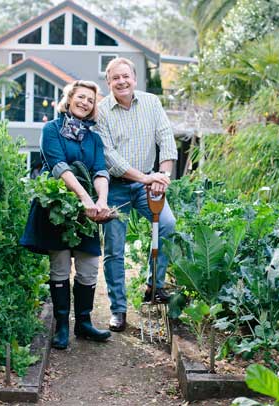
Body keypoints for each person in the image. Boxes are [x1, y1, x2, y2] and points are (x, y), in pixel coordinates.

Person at [20, 80, 111, 349]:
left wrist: (101, 201)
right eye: (81, 97)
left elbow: (100, 171)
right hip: (57, 207)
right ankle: (61, 326)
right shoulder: (52, 130)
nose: (85, 103)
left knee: (89, 266)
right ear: (69, 99)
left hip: (89, 212)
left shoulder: (94, 138)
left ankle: (83, 323)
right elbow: (58, 165)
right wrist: (83, 197)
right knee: (59, 265)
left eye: (91, 100)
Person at [96, 57, 178, 332]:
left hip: (148, 185)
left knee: (167, 224)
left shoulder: (151, 103)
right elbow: (109, 156)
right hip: (116, 186)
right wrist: (146, 177)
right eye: (115, 78)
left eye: (125, 76)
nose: (121, 82)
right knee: (115, 249)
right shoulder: (102, 111)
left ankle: (154, 286)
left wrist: (162, 178)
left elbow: (166, 138)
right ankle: (118, 310)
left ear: (134, 78)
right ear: (108, 83)